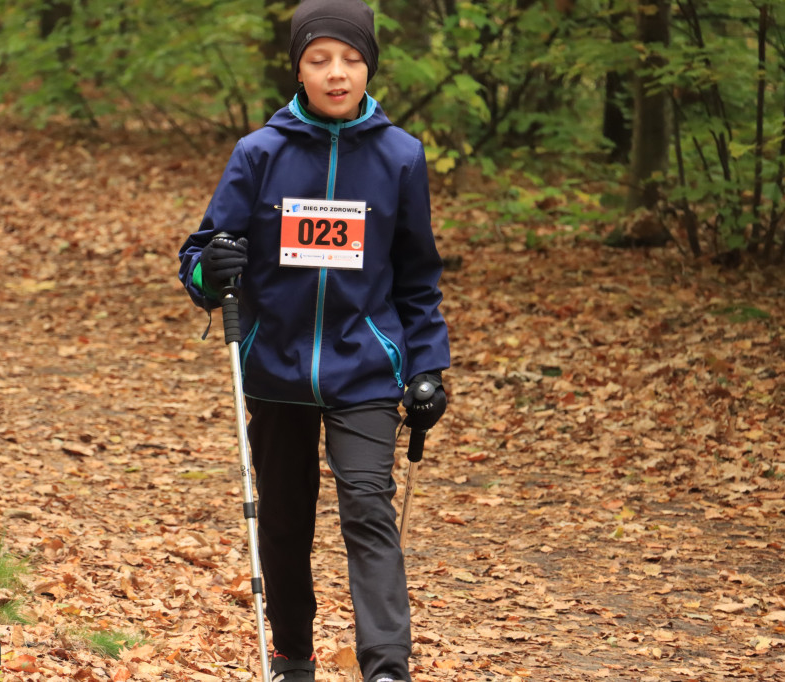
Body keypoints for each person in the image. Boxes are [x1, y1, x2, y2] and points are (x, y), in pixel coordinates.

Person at [178, 1, 450, 680]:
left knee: (367, 503)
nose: (338, 73)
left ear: (369, 67)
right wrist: (216, 267)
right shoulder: (259, 154)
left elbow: (417, 277)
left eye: (352, 59)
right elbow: (200, 260)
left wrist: (428, 367)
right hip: (277, 367)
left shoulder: (400, 156)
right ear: (297, 68)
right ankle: (293, 654)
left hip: (366, 367)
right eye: (321, 59)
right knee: (286, 520)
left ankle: (387, 666)